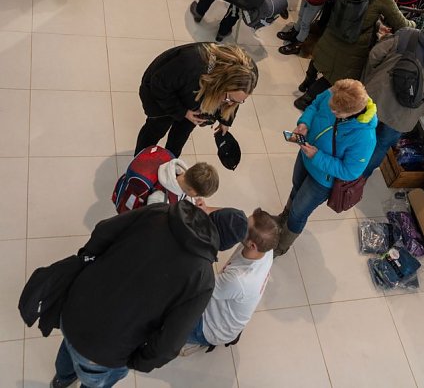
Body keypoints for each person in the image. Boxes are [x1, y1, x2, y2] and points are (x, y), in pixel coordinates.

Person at [49, 201, 248, 387]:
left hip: (75, 307)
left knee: (68, 346)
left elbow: (103, 230)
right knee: (96, 378)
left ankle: (61, 381)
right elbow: (169, 343)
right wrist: (138, 361)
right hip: (107, 349)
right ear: (224, 246)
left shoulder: (160, 211)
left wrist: (86, 265)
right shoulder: (202, 279)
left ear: (212, 216)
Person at [295, 0, 414, 109]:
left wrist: (377, 25)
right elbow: (401, 24)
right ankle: (306, 99)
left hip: (333, 31)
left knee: (321, 58)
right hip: (353, 43)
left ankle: (306, 83)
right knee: (334, 75)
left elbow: (358, 11)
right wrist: (414, 24)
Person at [274, 79, 377, 255]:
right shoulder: (335, 93)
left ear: (349, 113)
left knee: (299, 212)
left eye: (335, 111)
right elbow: (315, 106)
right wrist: (304, 123)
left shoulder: (364, 137)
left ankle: (281, 246)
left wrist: (318, 157)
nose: (330, 109)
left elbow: (350, 171)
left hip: (322, 179)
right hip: (306, 157)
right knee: (296, 189)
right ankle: (282, 219)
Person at [362, 14, 424, 177]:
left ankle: (340, 162)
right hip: (401, 117)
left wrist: (373, 79)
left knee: (357, 129)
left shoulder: (408, 34)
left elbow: (375, 54)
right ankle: (358, 179)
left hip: (375, 97)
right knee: (381, 145)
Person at [182, 208, 279, 353]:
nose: (241, 224)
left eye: (245, 225)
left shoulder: (239, 280)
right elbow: (236, 220)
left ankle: (199, 340)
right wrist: (208, 210)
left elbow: (199, 286)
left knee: (167, 315)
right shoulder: (266, 248)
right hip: (226, 306)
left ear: (252, 245)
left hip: (209, 327)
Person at [135, 41, 258, 155]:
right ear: (220, 83)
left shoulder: (247, 74)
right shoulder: (190, 63)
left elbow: (234, 97)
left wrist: (225, 120)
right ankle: (139, 163)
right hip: (161, 94)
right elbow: (158, 85)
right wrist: (182, 112)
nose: (230, 104)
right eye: (228, 98)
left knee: (180, 136)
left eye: (237, 102)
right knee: (157, 129)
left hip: (194, 97)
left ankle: (170, 163)